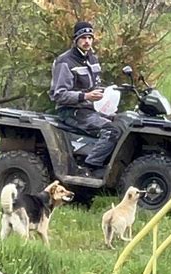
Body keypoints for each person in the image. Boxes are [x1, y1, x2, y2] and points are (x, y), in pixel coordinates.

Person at [49, 21, 122, 178]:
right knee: (111, 130)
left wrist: (107, 93)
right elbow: (58, 94)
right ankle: (89, 167)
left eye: (90, 37)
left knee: (124, 122)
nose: (87, 41)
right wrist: (85, 96)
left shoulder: (92, 59)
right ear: (75, 40)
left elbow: (95, 85)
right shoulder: (65, 62)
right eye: (83, 37)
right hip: (71, 111)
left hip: (90, 109)